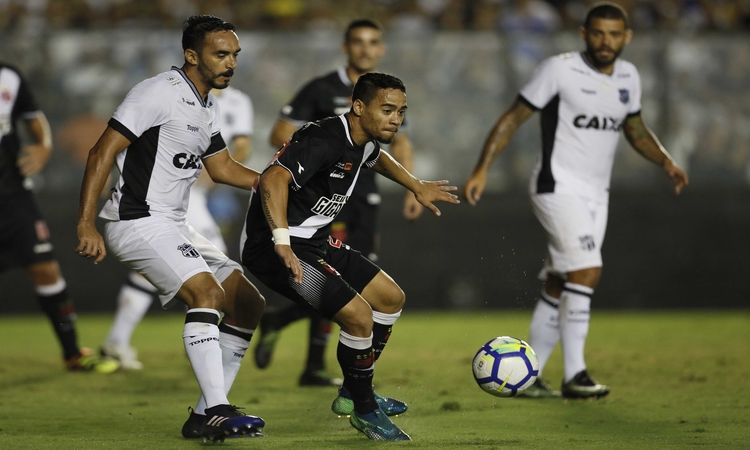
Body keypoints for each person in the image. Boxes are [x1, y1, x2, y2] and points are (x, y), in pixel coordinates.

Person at [463, 2, 688, 399]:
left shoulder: (629, 76)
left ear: (627, 37)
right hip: (556, 185)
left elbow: (635, 129)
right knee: (586, 270)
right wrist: (482, 168)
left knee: (560, 281)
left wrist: (666, 161)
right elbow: (512, 117)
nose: (605, 41)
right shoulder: (559, 70)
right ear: (584, 34)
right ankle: (576, 374)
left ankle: (531, 377)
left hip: (596, 194)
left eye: (614, 34)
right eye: (598, 33)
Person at [75, 15, 266, 441]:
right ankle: (218, 409)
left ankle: (201, 416)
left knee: (247, 303)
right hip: (136, 219)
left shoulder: (207, 106)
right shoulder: (157, 91)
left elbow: (222, 168)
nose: (231, 63)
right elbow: (100, 152)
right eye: (221, 54)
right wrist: (86, 222)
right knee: (207, 294)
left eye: (235, 54)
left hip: (174, 223)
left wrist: (276, 181)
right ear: (192, 56)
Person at [241, 72, 459, 440]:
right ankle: (365, 410)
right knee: (359, 316)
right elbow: (273, 178)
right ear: (358, 107)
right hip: (275, 247)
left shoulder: (363, 141)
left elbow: (376, 159)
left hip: (315, 241)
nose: (396, 119)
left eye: (401, 112)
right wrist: (281, 240)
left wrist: (415, 184)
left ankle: (353, 391)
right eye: (387, 110)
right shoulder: (323, 138)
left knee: (390, 299)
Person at [257, 18, 423, 387]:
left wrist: (414, 187)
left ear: (381, 48)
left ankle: (284, 324)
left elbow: (401, 144)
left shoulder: (390, 97)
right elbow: (280, 134)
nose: (366, 49)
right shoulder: (322, 89)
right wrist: (322, 151)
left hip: (362, 198)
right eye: (359, 42)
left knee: (360, 286)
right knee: (334, 283)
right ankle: (318, 366)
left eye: (373, 42)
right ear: (346, 47)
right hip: (322, 202)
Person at [99, 84, 254, 371]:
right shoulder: (168, 94)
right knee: (215, 267)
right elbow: (126, 138)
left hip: (196, 194)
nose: (228, 64)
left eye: (232, 59)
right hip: (171, 194)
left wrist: (219, 168)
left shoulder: (236, 101)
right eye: (221, 59)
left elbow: (242, 146)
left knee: (171, 267)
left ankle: (120, 340)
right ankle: (200, 339)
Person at [0, 61, 118, 374]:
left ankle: (72, 353)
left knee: (45, 269)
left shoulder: (8, 76)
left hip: (13, 196)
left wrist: (43, 145)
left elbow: (33, 116)